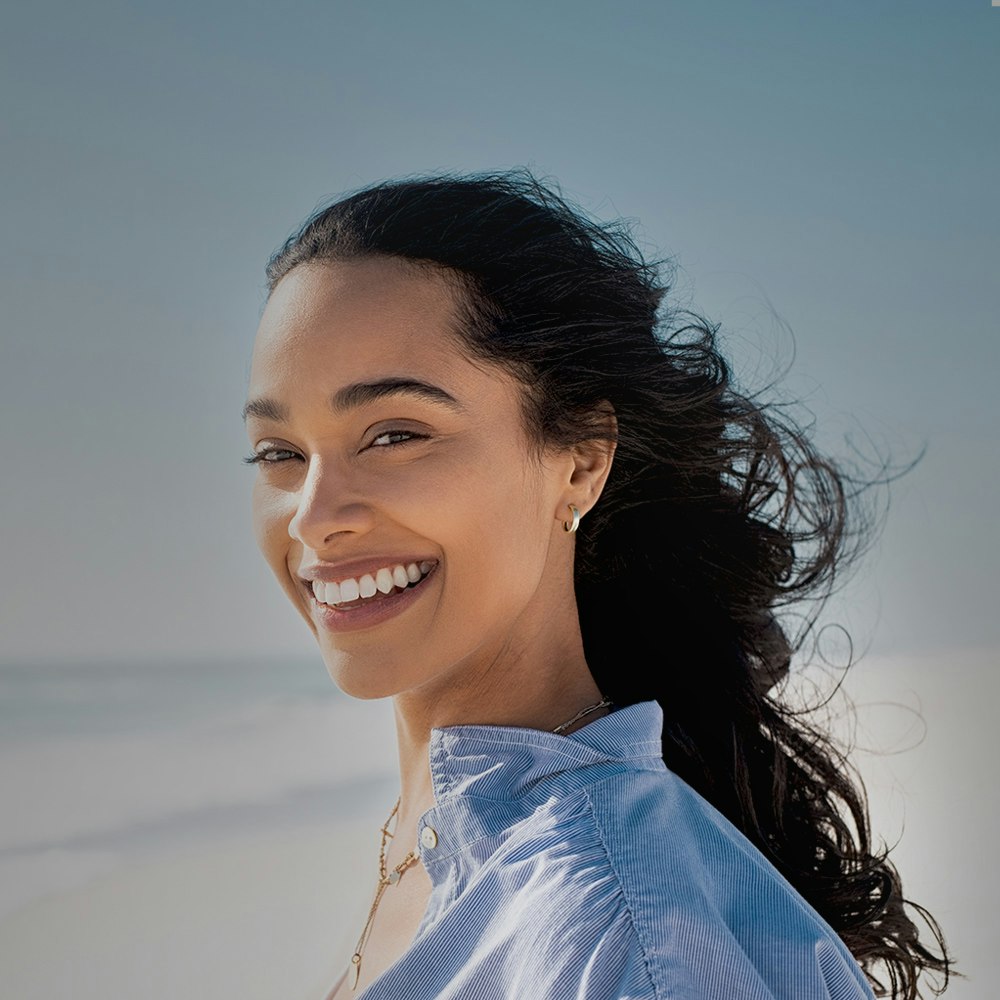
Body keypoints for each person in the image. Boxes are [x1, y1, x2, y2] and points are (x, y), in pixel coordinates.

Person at [243, 171, 952, 1000]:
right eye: (278, 453)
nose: (314, 516)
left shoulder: (617, 932)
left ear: (580, 458)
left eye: (395, 434)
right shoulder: (439, 838)